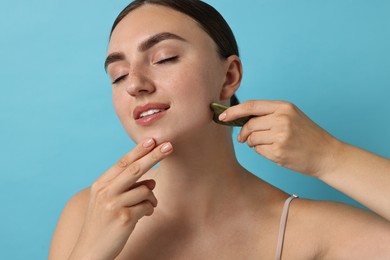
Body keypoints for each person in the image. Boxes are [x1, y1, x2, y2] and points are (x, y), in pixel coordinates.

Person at [49, 0, 390, 259]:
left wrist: (330, 156)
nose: (134, 84)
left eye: (164, 57)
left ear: (229, 77)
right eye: (118, 75)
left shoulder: (315, 233)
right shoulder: (87, 213)